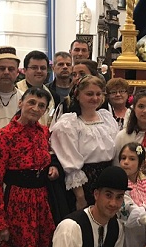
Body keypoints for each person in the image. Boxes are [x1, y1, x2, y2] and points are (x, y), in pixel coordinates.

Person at [0, 87, 59, 247]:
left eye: (41, 106)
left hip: (41, 201)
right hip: (17, 203)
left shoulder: (43, 133)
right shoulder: (4, 136)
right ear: (21, 103)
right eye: (31, 102)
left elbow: (47, 158)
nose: (36, 108)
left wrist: (51, 168)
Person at [50, 76, 119, 211]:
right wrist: (80, 197)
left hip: (108, 181)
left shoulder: (107, 118)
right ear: (78, 95)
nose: (95, 98)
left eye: (98, 94)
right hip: (85, 183)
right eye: (89, 94)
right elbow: (70, 163)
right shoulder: (69, 124)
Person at [17, 50, 56, 126]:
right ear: (24, 70)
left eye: (43, 68)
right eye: (34, 67)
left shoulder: (53, 96)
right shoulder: (15, 92)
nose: (39, 71)